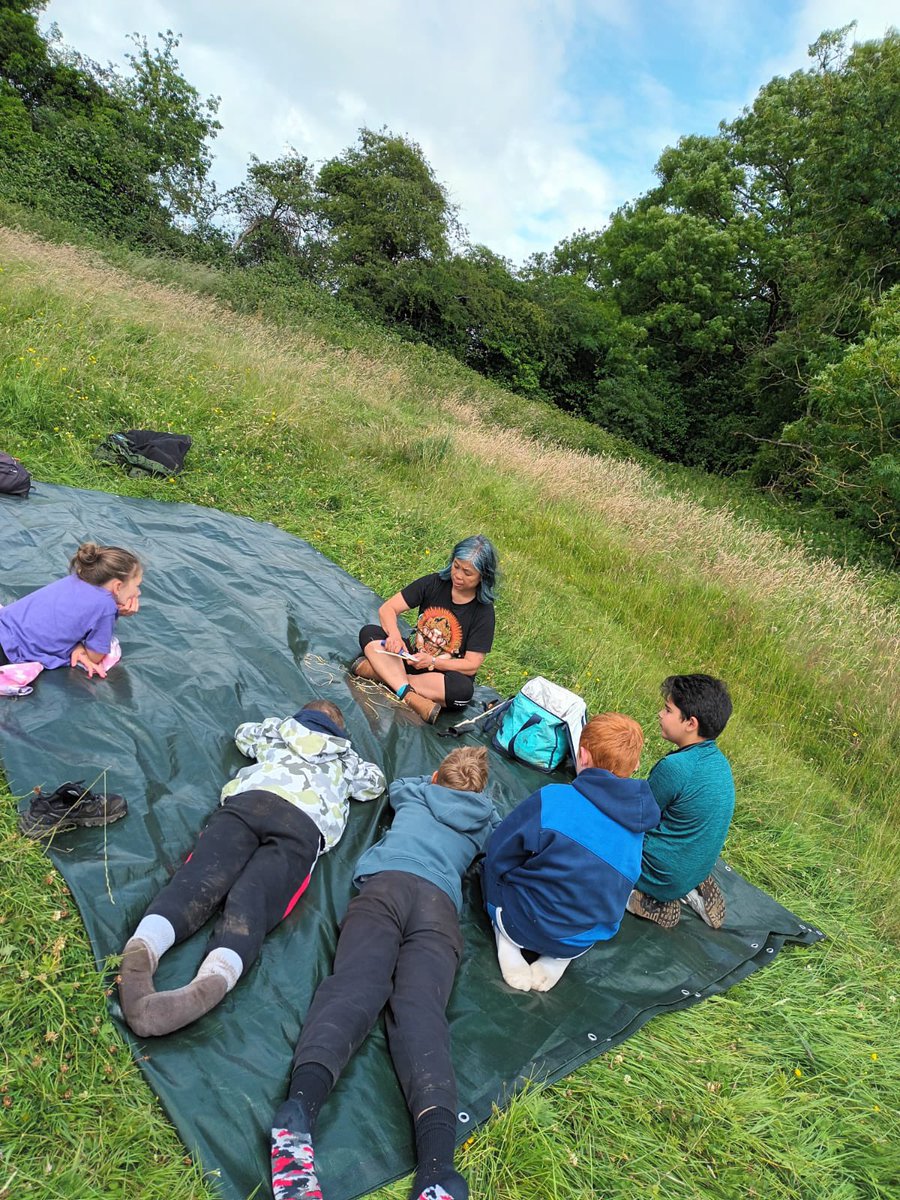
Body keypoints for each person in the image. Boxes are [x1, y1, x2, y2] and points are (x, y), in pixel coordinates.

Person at [271, 746, 494, 1200]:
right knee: (421, 1014)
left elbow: (397, 788)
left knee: (355, 985)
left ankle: (298, 1114)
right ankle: (437, 1171)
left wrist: (431, 781)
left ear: (436, 775)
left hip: (386, 886)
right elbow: (495, 838)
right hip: (439, 907)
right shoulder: (484, 822)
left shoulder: (415, 794)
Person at [118, 700, 385, 1038]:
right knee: (254, 901)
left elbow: (243, 735)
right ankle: (212, 979)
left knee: (199, 877)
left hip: (249, 802)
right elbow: (373, 784)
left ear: (300, 716)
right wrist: (348, 753)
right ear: (340, 731)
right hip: (303, 825)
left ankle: (145, 946)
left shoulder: (279, 733)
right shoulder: (345, 758)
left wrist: (277, 726)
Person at [482, 713, 660, 993]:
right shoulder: (637, 834)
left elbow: (501, 851)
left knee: (493, 863)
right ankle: (558, 958)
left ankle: (507, 940)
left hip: (520, 920)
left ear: (582, 755)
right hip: (579, 939)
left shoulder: (554, 798)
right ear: (634, 766)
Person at [626, 674, 735, 930]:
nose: (660, 714)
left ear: (690, 723)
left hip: (659, 872)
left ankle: (644, 896)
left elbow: (636, 817)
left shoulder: (676, 768)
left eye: (667, 710)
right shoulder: (719, 763)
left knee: (597, 838)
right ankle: (691, 884)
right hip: (696, 864)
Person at [352, 535, 498, 725]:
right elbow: (388, 608)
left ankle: (380, 674)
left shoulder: (483, 611)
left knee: (462, 693)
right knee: (369, 633)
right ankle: (409, 695)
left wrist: (433, 661)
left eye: (467, 573)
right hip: (410, 656)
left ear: (482, 576)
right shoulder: (434, 583)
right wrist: (395, 637)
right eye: (456, 566)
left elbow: (471, 664)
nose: (458, 575)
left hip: (439, 674)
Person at [0, 542, 141, 678]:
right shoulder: (106, 606)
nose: (138, 593)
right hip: (9, 650)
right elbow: (94, 656)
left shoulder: (76, 579)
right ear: (117, 586)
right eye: (137, 586)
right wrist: (114, 615)